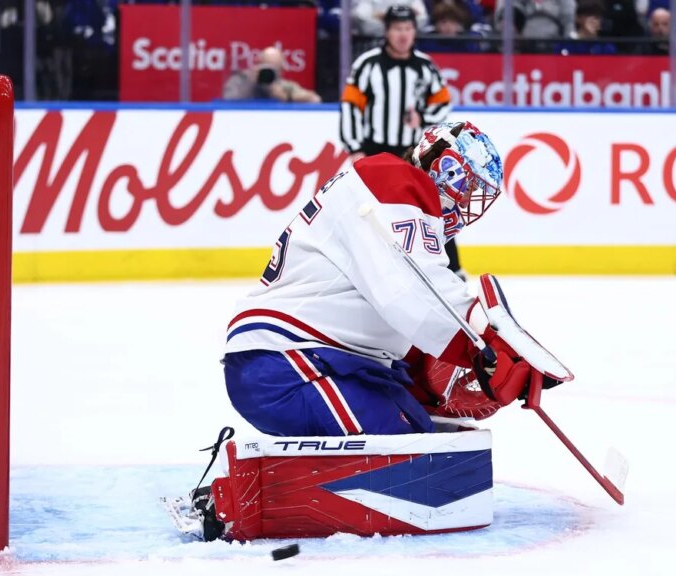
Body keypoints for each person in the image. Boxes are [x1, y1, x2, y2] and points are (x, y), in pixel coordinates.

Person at [223, 121, 538, 438]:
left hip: (318, 361)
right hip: (289, 365)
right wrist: (482, 347)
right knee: (411, 456)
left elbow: (393, 300)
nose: (469, 204)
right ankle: (271, 486)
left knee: (433, 437)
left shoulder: (386, 192)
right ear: (446, 170)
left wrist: (428, 382)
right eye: (469, 189)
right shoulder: (390, 179)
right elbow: (411, 292)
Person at [339, 4, 466, 278]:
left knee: (428, 204)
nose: (403, 34)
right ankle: (360, 270)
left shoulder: (424, 66)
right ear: (387, 32)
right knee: (369, 209)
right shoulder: (368, 64)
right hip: (375, 150)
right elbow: (350, 106)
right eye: (397, 28)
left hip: (413, 151)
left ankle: (451, 269)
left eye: (408, 28)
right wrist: (354, 147)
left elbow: (443, 103)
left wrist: (421, 117)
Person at [222, 46, 321, 103]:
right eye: (265, 67)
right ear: (257, 64)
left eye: (274, 69)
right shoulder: (241, 80)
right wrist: (250, 84)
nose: (268, 73)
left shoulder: (285, 87)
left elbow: (316, 99)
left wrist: (287, 97)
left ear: (281, 71)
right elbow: (227, 100)